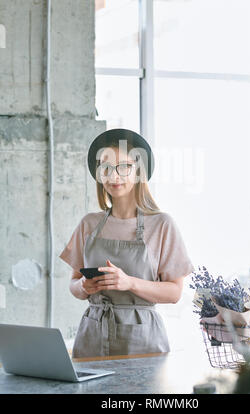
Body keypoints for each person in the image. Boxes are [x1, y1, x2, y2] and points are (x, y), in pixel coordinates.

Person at [59, 128, 195, 357]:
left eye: (123, 166)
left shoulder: (162, 225)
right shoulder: (88, 224)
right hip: (92, 336)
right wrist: (83, 286)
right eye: (106, 167)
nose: (113, 176)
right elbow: (73, 284)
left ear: (139, 171)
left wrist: (129, 282)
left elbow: (174, 293)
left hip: (142, 340)